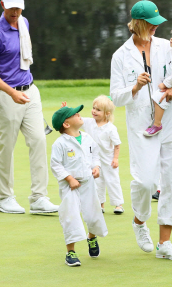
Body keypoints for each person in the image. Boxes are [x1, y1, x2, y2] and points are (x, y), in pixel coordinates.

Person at [110, 0, 172, 261]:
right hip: (141, 124)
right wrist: (135, 87)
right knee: (145, 180)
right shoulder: (120, 55)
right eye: (151, 24)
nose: (156, 29)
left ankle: (165, 243)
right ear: (139, 24)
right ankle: (139, 221)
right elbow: (116, 98)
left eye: (157, 25)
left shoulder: (169, 46)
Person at [0, 0, 58, 215]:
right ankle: (4, 197)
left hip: (29, 91)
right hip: (6, 96)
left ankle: (38, 198)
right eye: (11, 7)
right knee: (7, 147)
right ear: (2, 4)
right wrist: (11, 92)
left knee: (38, 141)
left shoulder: (24, 23)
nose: (15, 11)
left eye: (19, 7)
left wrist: (22, 91)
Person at [50, 105, 107, 267]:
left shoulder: (88, 138)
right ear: (66, 124)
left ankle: (92, 238)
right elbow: (55, 165)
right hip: (71, 186)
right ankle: (71, 252)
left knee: (93, 212)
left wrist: (96, 167)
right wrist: (69, 178)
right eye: (75, 114)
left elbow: (95, 155)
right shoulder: (60, 143)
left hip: (88, 182)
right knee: (71, 216)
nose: (79, 114)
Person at [80, 96, 124, 215]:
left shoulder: (110, 128)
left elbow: (117, 145)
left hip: (108, 160)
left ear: (107, 113)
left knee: (112, 181)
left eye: (98, 110)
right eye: (93, 108)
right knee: (97, 182)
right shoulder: (89, 122)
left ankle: (118, 204)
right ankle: (100, 204)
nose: (94, 111)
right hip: (94, 160)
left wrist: (115, 158)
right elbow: (77, 119)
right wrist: (67, 110)